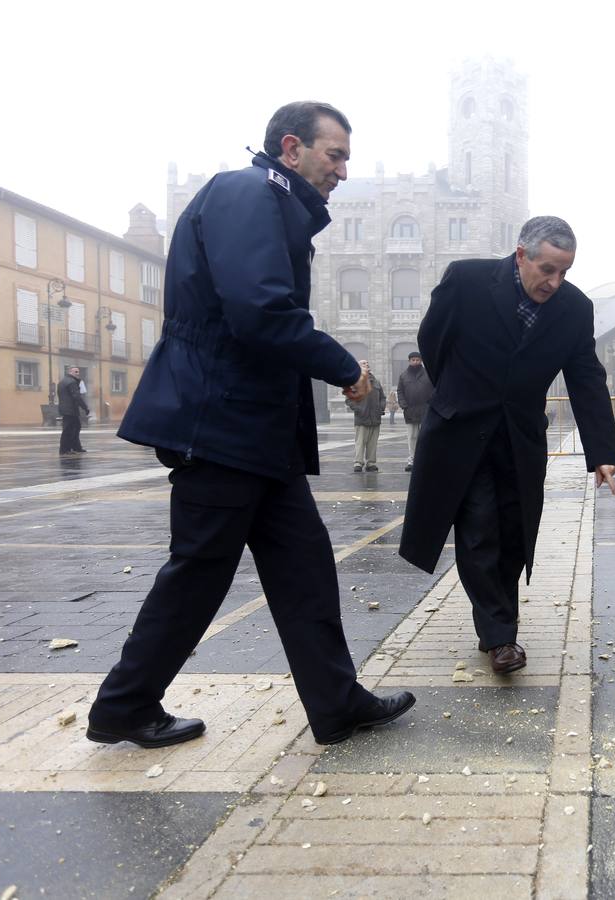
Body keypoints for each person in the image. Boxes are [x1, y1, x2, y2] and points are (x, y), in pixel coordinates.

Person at [87, 101, 414, 749]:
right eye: (334, 154)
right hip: (221, 420)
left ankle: (336, 701)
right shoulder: (248, 194)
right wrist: (345, 365)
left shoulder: (271, 203)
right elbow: (260, 311)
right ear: (291, 149)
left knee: (304, 566)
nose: (343, 170)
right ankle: (122, 705)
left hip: (253, 429)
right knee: (200, 570)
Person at [399, 216, 615, 674]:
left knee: (515, 530)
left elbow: (585, 377)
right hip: (462, 431)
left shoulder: (574, 308)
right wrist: (459, 393)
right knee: (479, 527)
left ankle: (500, 626)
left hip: (520, 436)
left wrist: (602, 452)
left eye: (565, 271)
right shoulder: (467, 279)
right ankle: (501, 637)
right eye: (547, 269)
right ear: (522, 255)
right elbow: (432, 340)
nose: (555, 282)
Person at [396, 351, 433, 472]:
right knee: (412, 436)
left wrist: (431, 405)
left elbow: (435, 389)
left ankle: (425, 459)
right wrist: (404, 405)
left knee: (425, 437)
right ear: (409, 361)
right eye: (413, 360)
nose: (415, 362)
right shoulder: (403, 376)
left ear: (421, 361)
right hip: (410, 411)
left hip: (426, 411)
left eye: (417, 360)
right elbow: (400, 391)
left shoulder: (429, 374)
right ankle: (412, 460)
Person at [346, 360, 385, 472]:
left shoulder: (376, 381)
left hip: (375, 417)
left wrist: (381, 408)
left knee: (373, 443)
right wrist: (358, 409)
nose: (367, 365)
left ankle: (371, 463)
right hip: (361, 418)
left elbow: (382, 397)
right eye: (363, 364)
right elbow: (349, 399)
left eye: (367, 364)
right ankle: (358, 463)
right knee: (360, 442)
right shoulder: (354, 381)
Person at [57, 366, 90, 455]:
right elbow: (76, 396)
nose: (78, 373)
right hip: (70, 410)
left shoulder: (63, 381)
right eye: (75, 372)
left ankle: (76, 447)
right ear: (70, 372)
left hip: (66, 409)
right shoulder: (71, 382)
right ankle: (64, 450)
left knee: (76, 427)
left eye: (78, 371)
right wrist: (85, 407)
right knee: (68, 430)